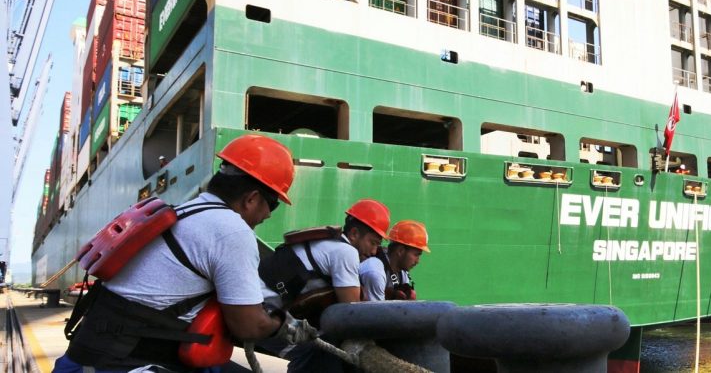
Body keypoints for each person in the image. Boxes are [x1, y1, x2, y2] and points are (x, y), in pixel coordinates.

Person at [54, 134, 317, 372]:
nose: (269, 214)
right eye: (272, 204)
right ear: (251, 198)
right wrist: (284, 326)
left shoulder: (185, 211)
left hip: (85, 357)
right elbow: (249, 326)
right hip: (125, 364)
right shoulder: (232, 231)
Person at [258, 199, 390, 371]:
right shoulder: (346, 252)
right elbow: (351, 312)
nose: (374, 251)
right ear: (354, 234)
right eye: (373, 243)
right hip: (260, 314)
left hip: (259, 305)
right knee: (314, 353)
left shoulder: (330, 244)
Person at [359, 220, 430, 301]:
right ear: (400, 251)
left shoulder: (402, 273)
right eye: (416, 255)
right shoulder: (375, 271)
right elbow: (375, 309)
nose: (418, 261)